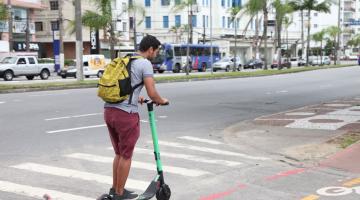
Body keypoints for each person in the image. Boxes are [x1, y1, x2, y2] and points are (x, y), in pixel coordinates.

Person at [103, 35, 169, 200]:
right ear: (151, 49)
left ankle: (116, 189)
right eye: (156, 51)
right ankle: (118, 194)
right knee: (126, 155)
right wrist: (162, 101)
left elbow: (127, 86)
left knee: (119, 153)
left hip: (109, 110)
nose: (156, 54)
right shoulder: (145, 63)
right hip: (126, 115)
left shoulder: (127, 59)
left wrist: (136, 96)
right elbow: (152, 93)